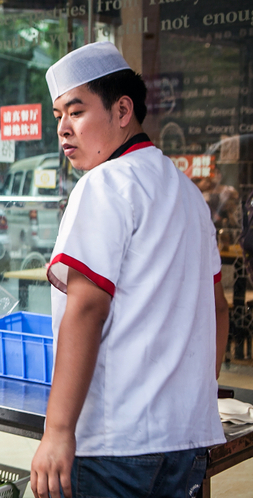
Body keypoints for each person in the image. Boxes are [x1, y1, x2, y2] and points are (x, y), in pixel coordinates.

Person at [30, 42, 227, 498]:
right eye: (58, 115)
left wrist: (58, 431)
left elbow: (86, 308)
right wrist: (192, 397)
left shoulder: (105, 183)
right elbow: (217, 309)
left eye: (76, 112)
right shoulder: (187, 192)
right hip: (186, 442)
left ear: (122, 110)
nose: (63, 130)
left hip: (116, 446)